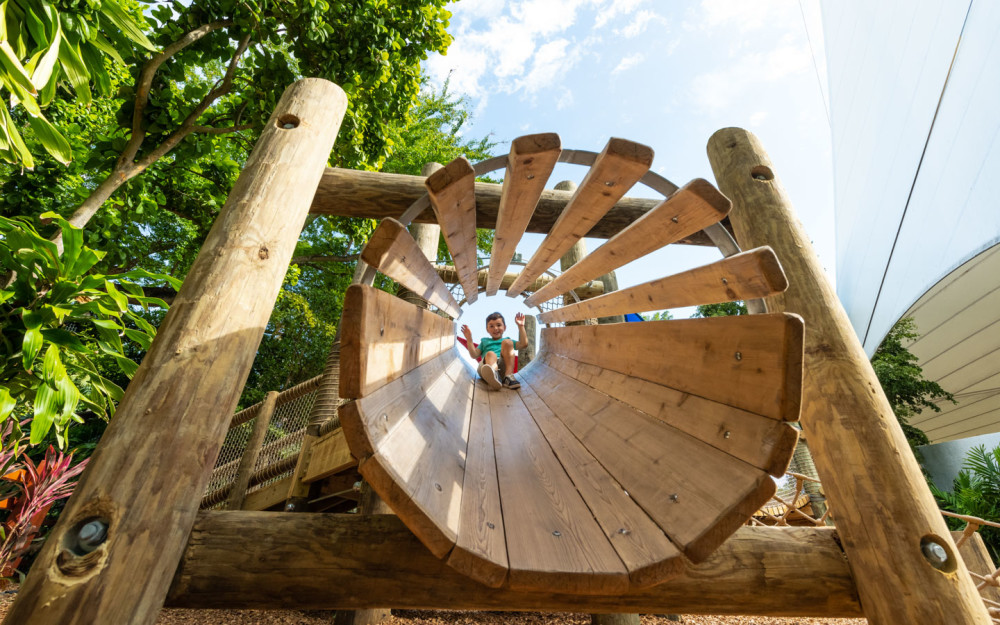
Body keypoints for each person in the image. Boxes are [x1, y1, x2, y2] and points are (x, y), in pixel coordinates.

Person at [461, 311, 527, 390]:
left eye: (498, 325)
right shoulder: (485, 341)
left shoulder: (507, 340)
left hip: (503, 369)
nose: (495, 328)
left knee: (508, 342)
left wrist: (521, 326)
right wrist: (469, 339)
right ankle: (493, 375)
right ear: (487, 330)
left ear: (504, 327)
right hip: (487, 367)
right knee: (491, 354)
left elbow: (524, 344)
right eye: (491, 326)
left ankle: (508, 377)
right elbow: (474, 355)